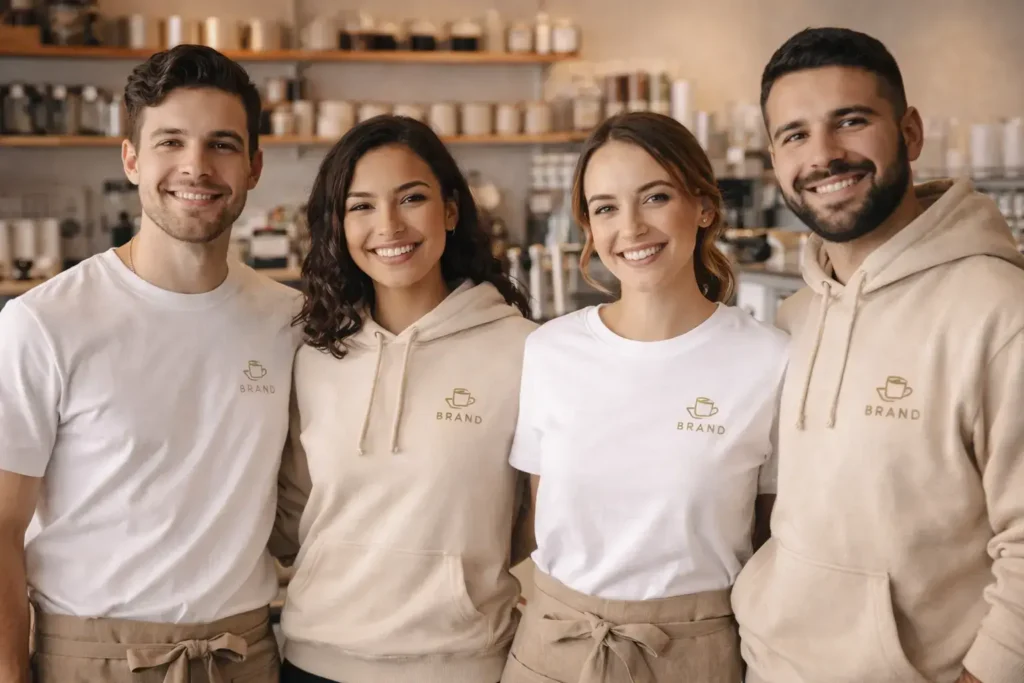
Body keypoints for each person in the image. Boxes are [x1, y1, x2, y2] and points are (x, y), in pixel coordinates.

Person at [0, 45, 301, 683]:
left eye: (222, 144)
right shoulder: (43, 322)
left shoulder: (290, 321)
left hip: (244, 656)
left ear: (254, 166)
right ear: (131, 159)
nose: (197, 166)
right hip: (91, 660)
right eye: (171, 142)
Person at [731, 27, 1024, 683]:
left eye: (851, 121)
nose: (824, 155)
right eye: (795, 135)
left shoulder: (1000, 311)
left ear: (909, 133)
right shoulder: (794, 316)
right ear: (774, 159)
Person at [500, 112, 789, 683]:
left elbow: (772, 543)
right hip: (554, 646)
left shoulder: (770, 359)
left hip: (697, 654)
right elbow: (539, 518)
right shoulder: (550, 350)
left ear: (703, 206)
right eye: (605, 208)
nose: (630, 227)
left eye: (655, 197)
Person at [270, 115, 537, 683]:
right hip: (315, 661)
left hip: (463, 665)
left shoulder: (523, 350)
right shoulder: (314, 356)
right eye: (361, 206)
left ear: (450, 210)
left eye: (411, 198)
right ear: (338, 225)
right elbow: (293, 517)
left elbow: (534, 520)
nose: (388, 225)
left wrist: (457, 583)